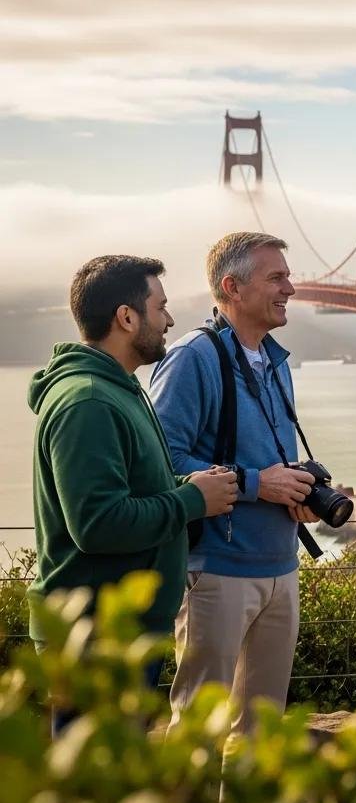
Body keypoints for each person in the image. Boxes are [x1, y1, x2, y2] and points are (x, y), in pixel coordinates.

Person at [27, 255, 238, 733]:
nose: (169, 320)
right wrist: (191, 501)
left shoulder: (120, 389)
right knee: (95, 796)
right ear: (127, 317)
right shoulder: (88, 402)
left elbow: (131, 493)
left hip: (123, 628)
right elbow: (98, 525)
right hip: (97, 636)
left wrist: (190, 485)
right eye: (160, 307)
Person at [150, 232, 318, 737]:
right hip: (217, 571)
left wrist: (297, 490)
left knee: (260, 733)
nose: (291, 287)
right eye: (277, 277)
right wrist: (254, 484)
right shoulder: (192, 359)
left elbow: (269, 461)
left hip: (280, 565)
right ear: (233, 287)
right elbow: (161, 460)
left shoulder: (275, 360)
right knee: (199, 729)